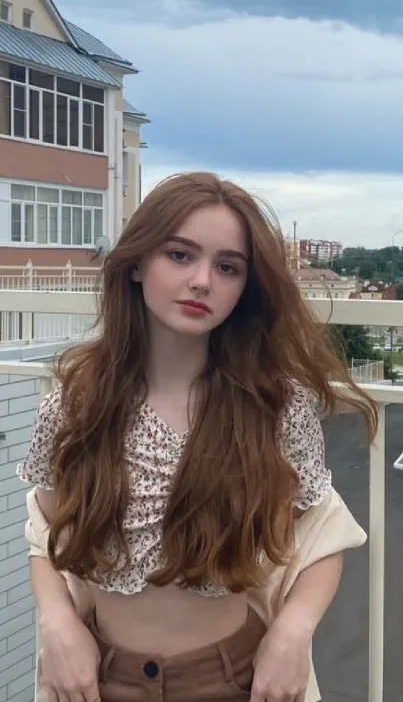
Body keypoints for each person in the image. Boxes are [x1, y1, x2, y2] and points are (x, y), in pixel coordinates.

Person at [17, 172, 377, 702]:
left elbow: (322, 534)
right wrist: (56, 622)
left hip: (234, 679)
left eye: (227, 267)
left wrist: (293, 631)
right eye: (180, 255)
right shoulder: (75, 406)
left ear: (244, 288)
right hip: (97, 678)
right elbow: (44, 533)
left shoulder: (274, 408)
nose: (203, 281)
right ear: (138, 263)